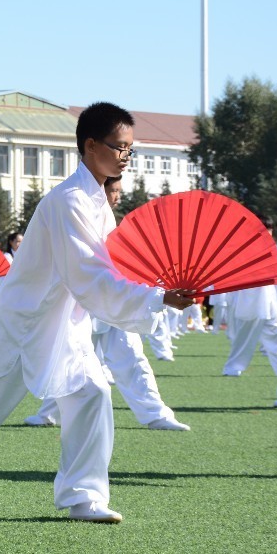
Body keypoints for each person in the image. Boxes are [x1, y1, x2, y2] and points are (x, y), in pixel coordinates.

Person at [0, 103, 195, 523]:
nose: (126, 157)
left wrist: (155, 288)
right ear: (91, 145)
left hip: (65, 326)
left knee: (92, 394)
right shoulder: (69, 200)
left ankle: (83, 496)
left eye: (129, 149)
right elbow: (87, 273)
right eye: (120, 147)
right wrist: (156, 297)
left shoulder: (96, 201)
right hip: (25, 323)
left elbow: (110, 266)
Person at [25, 177, 189, 432]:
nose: (117, 197)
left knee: (132, 359)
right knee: (70, 361)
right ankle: (48, 412)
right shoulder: (79, 220)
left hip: (117, 306)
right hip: (84, 306)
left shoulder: (116, 226)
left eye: (118, 191)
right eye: (113, 191)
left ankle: (156, 414)